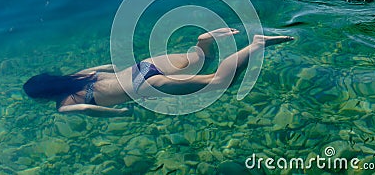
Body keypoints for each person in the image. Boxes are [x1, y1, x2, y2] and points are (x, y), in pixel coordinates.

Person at [23, 28, 294, 117]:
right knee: (201, 59)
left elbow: (86, 110)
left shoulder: (64, 105)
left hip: (144, 85)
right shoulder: (77, 75)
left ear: (43, 96)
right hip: (142, 66)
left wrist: (118, 112)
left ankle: (257, 44)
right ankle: (204, 41)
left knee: (218, 82)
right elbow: (108, 67)